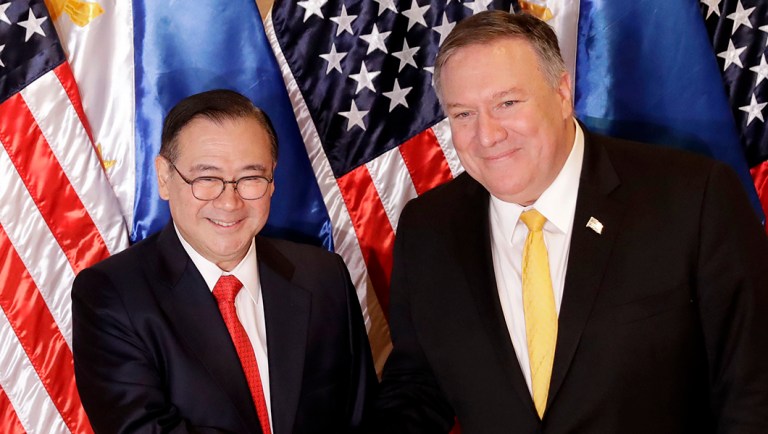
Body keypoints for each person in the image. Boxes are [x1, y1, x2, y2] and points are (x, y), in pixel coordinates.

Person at [371, 11, 768, 434]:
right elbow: (417, 387)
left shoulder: (692, 199)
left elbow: (752, 388)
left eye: (507, 103)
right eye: (464, 114)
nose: (487, 135)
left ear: (562, 94)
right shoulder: (428, 229)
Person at [72, 89, 376, 434]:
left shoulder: (323, 276)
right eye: (206, 179)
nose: (230, 202)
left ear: (272, 179)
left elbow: (361, 417)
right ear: (164, 177)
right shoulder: (112, 296)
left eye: (250, 178)